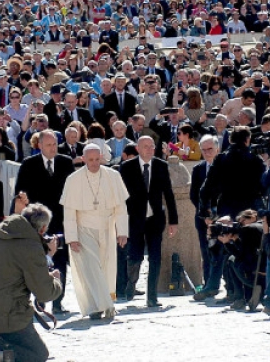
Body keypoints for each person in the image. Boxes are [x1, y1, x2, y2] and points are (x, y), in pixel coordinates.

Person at [0, 204, 62, 362]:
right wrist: (55, 279)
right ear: (42, 229)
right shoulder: (31, 247)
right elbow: (45, 292)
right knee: (38, 354)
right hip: (2, 315)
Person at [59, 144, 129, 320]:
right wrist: (72, 238)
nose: (94, 163)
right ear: (83, 159)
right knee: (91, 268)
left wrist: (122, 232)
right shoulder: (73, 179)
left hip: (106, 228)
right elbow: (69, 212)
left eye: (97, 159)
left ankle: (101, 304)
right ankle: (101, 306)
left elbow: (121, 207)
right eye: (90, 160)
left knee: (105, 268)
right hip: (84, 229)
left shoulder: (113, 176)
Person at [14, 130, 75, 314]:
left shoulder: (65, 162)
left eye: (55, 144)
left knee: (60, 261)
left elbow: (72, 190)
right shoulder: (29, 164)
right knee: (38, 262)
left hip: (60, 220)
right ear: (39, 145)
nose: (52, 148)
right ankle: (39, 301)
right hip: (37, 223)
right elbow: (20, 192)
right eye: (48, 145)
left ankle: (58, 302)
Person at [119, 136, 178, 307]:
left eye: (152, 146)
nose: (149, 150)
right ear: (138, 148)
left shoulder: (161, 165)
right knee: (135, 256)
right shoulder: (127, 167)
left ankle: (152, 296)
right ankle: (131, 284)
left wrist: (173, 221)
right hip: (135, 219)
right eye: (145, 146)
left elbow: (168, 194)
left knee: (155, 257)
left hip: (155, 219)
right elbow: (121, 196)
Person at [190, 135, 226, 301]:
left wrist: (215, 215)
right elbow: (194, 195)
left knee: (223, 251)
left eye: (210, 149)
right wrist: (204, 214)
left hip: (222, 218)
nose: (206, 153)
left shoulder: (225, 166)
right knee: (206, 252)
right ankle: (208, 285)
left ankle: (226, 284)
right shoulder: (198, 169)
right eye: (203, 150)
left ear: (217, 149)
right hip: (203, 219)